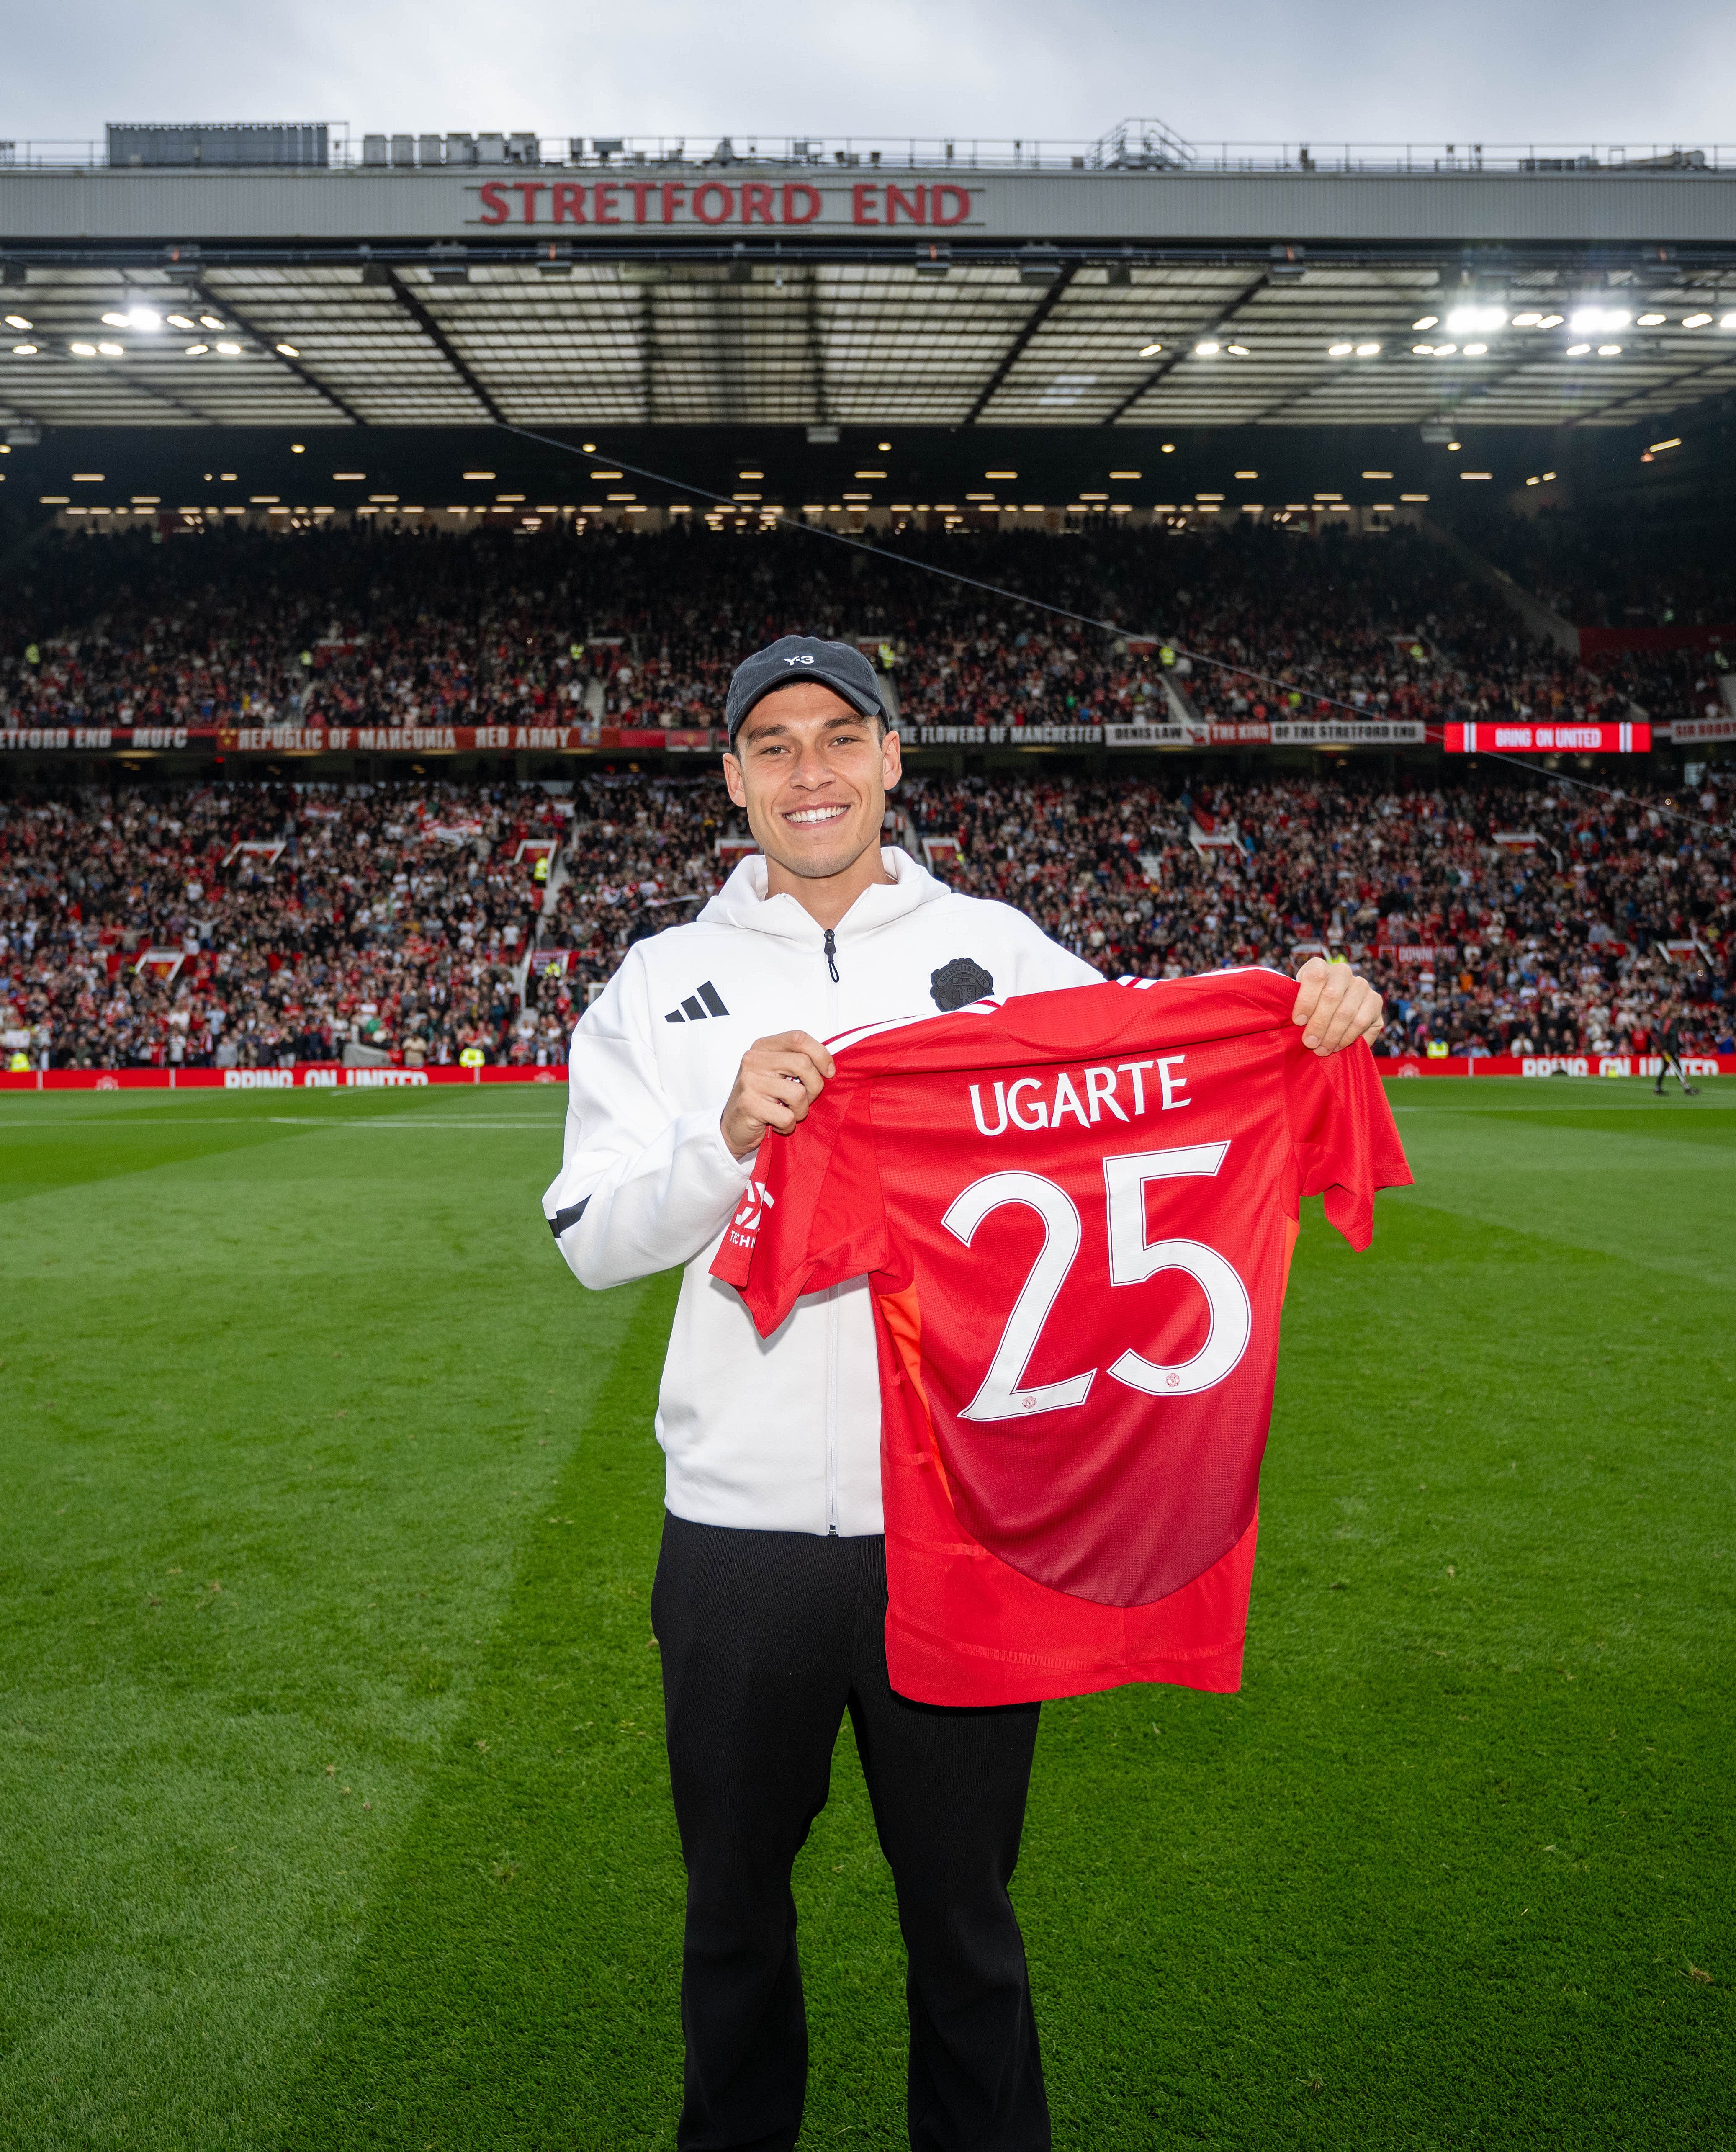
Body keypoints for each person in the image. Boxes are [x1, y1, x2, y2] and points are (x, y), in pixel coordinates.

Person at [541, 635, 1384, 2152]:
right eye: (774, 745)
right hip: (731, 1539)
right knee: (730, 1917)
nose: (811, 772)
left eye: (839, 737)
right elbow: (592, 1240)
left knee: (964, 1922)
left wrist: (1301, 1013)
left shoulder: (996, 951)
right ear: (730, 777)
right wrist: (726, 1135)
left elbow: (1155, 1069)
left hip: (961, 1525)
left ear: (890, 759)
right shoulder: (658, 987)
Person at [1651, 1002, 1699, 1097]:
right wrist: (1664, 1049)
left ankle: (1658, 1088)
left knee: (1667, 1068)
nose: (1680, 1013)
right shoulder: (1669, 1022)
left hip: (1671, 1050)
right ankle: (1687, 1088)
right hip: (1669, 1051)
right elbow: (1664, 1036)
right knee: (1677, 1069)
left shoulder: (1674, 1022)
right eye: (1679, 1012)